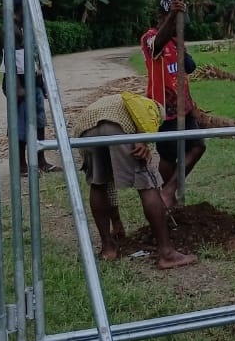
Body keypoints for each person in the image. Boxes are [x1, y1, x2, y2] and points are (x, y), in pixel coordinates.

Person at [73, 92, 196, 269]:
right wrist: (142, 140)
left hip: (87, 130)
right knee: (147, 185)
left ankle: (108, 249)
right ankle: (166, 254)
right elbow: (145, 119)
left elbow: (109, 185)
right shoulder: (153, 106)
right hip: (118, 127)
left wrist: (117, 223)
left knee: (99, 184)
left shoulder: (117, 100)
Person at [140, 0, 206, 208]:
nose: (180, 23)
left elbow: (190, 67)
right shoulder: (150, 37)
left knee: (197, 146)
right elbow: (157, 44)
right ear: (163, 15)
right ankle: (167, 200)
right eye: (175, 18)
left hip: (184, 108)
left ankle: (169, 191)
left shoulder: (176, 40)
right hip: (163, 109)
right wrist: (172, 19)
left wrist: (180, 44)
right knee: (168, 157)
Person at [2, 0, 57, 176]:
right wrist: (16, 87)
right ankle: (20, 164)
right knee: (21, 124)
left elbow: (34, 57)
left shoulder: (29, 27)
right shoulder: (12, 28)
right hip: (20, 83)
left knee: (39, 121)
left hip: (34, 82)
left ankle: (41, 160)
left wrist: (42, 82)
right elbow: (9, 60)